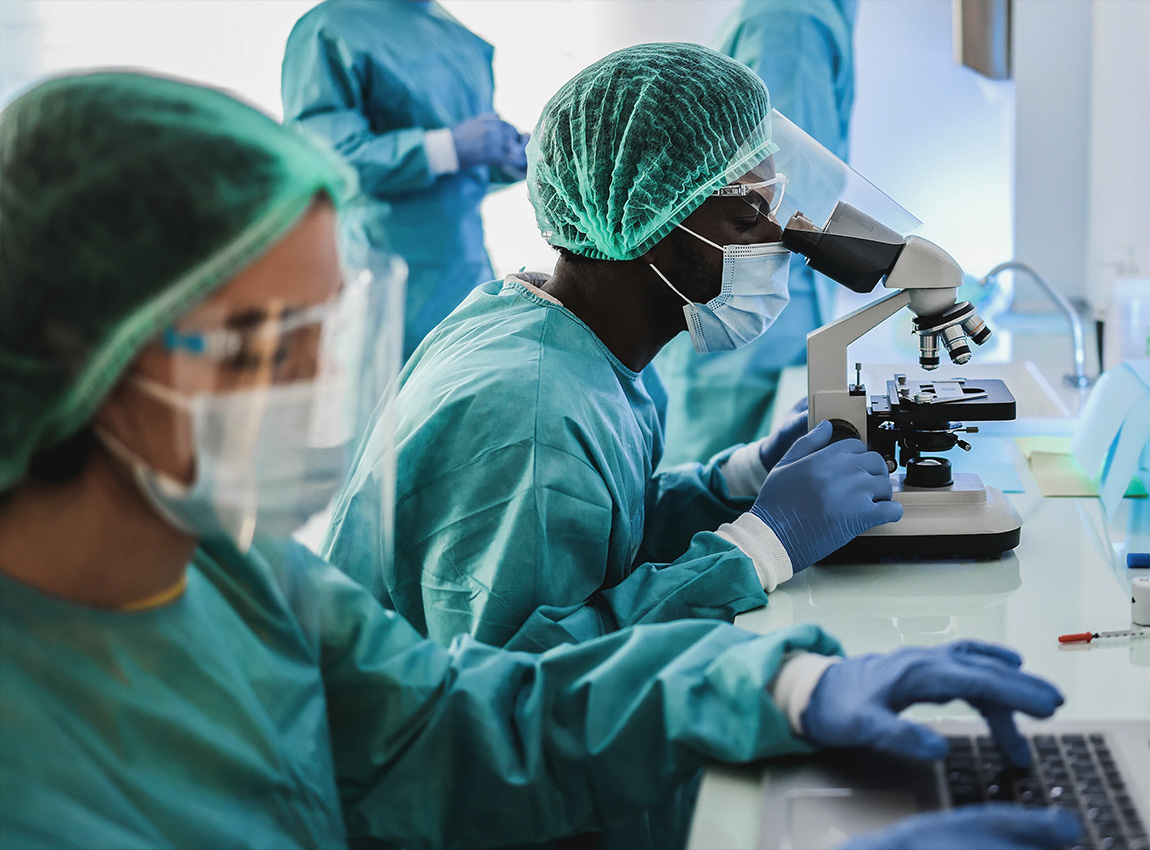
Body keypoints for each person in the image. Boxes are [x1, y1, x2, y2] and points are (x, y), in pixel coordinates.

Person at [0, 70, 1081, 850]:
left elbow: (470, 715)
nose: (308, 395)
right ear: (83, 347)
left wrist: (786, 685)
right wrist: (751, 548)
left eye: (322, 335)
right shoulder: (34, 780)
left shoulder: (225, 569)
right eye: (263, 350)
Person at [324, 42, 898, 654]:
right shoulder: (532, 412)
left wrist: (742, 475)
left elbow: (597, 528)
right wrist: (759, 549)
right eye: (747, 216)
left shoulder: (561, 331)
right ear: (647, 217)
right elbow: (529, 680)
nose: (780, 238)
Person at [655, 0, 860, 466]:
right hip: (750, 310)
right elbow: (781, 192)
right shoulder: (792, 20)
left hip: (761, 305)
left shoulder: (803, 15)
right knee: (714, 502)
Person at [281, 0, 529, 366]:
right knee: (379, 411)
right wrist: (446, 146)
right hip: (377, 281)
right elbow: (323, 161)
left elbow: (457, 181)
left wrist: (504, 160)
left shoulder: (461, 40)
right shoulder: (330, 28)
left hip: (466, 276)